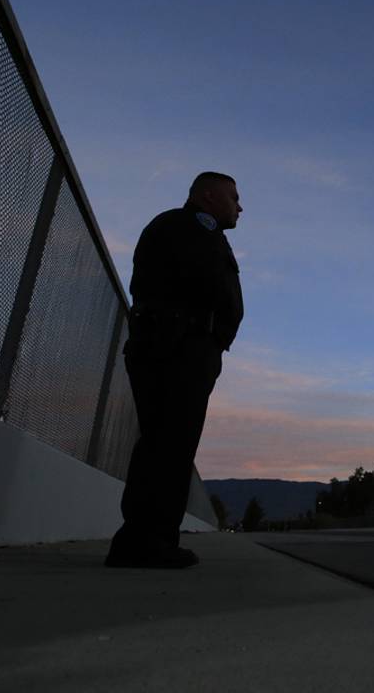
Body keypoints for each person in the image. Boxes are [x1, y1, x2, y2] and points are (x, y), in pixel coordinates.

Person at [105, 172, 244, 568]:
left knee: (169, 445)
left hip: (184, 347)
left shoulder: (196, 230)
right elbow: (200, 283)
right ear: (207, 196)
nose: (240, 206)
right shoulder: (188, 227)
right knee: (168, 444)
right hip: (176, 347)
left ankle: (151, 538)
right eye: (233, 197)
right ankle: (143, 542)